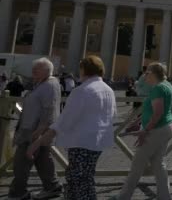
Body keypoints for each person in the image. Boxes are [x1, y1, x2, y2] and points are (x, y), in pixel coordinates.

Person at [26, 56, 116, 200]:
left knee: (78, 181)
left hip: (81, 142)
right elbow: (112, 115)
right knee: (84, 179)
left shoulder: (82, 90)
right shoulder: (108, 90)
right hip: (98, 142)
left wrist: (38, 142)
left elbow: (64, 121)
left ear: (84, 69)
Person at [112, 62, 172, 200]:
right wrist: (137, 121)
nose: (144, 76)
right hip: (167, 127)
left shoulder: (158, 88)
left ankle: (123, 197)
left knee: (137, 164)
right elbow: (152, 110)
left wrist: (145, 130)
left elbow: (158, 113)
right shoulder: (167, 85)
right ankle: (165, 196)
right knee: (159, 163)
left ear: (153, 74)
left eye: (147, 73)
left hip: (156, 130)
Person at [9, 58, 62, 200]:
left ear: (47, 70)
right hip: (35, 129)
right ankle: (52, 186)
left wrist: (38, 133)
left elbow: (49, 110)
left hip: (35, 130)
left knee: (21, 162)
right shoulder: (41, 83)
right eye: (34, 68)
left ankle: (18, 193)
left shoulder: (49, 85)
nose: (33, 70)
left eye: (37, 68)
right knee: (43, 159)